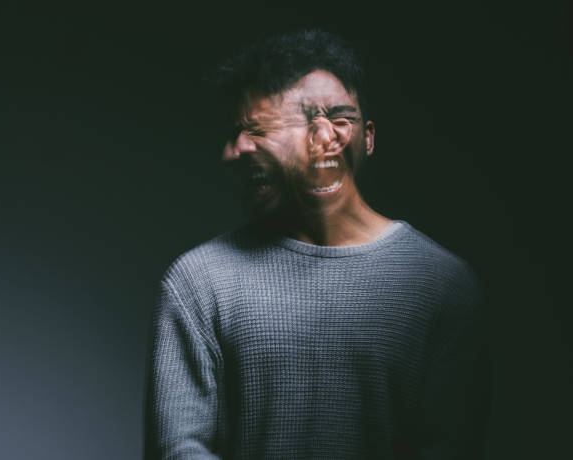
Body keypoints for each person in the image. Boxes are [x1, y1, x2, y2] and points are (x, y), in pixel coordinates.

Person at [145, 29, 490, 459]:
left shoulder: (442, 286)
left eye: (256, 130)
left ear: (334, 136)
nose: (234, 152)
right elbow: (179, 449)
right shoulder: (199, 282)